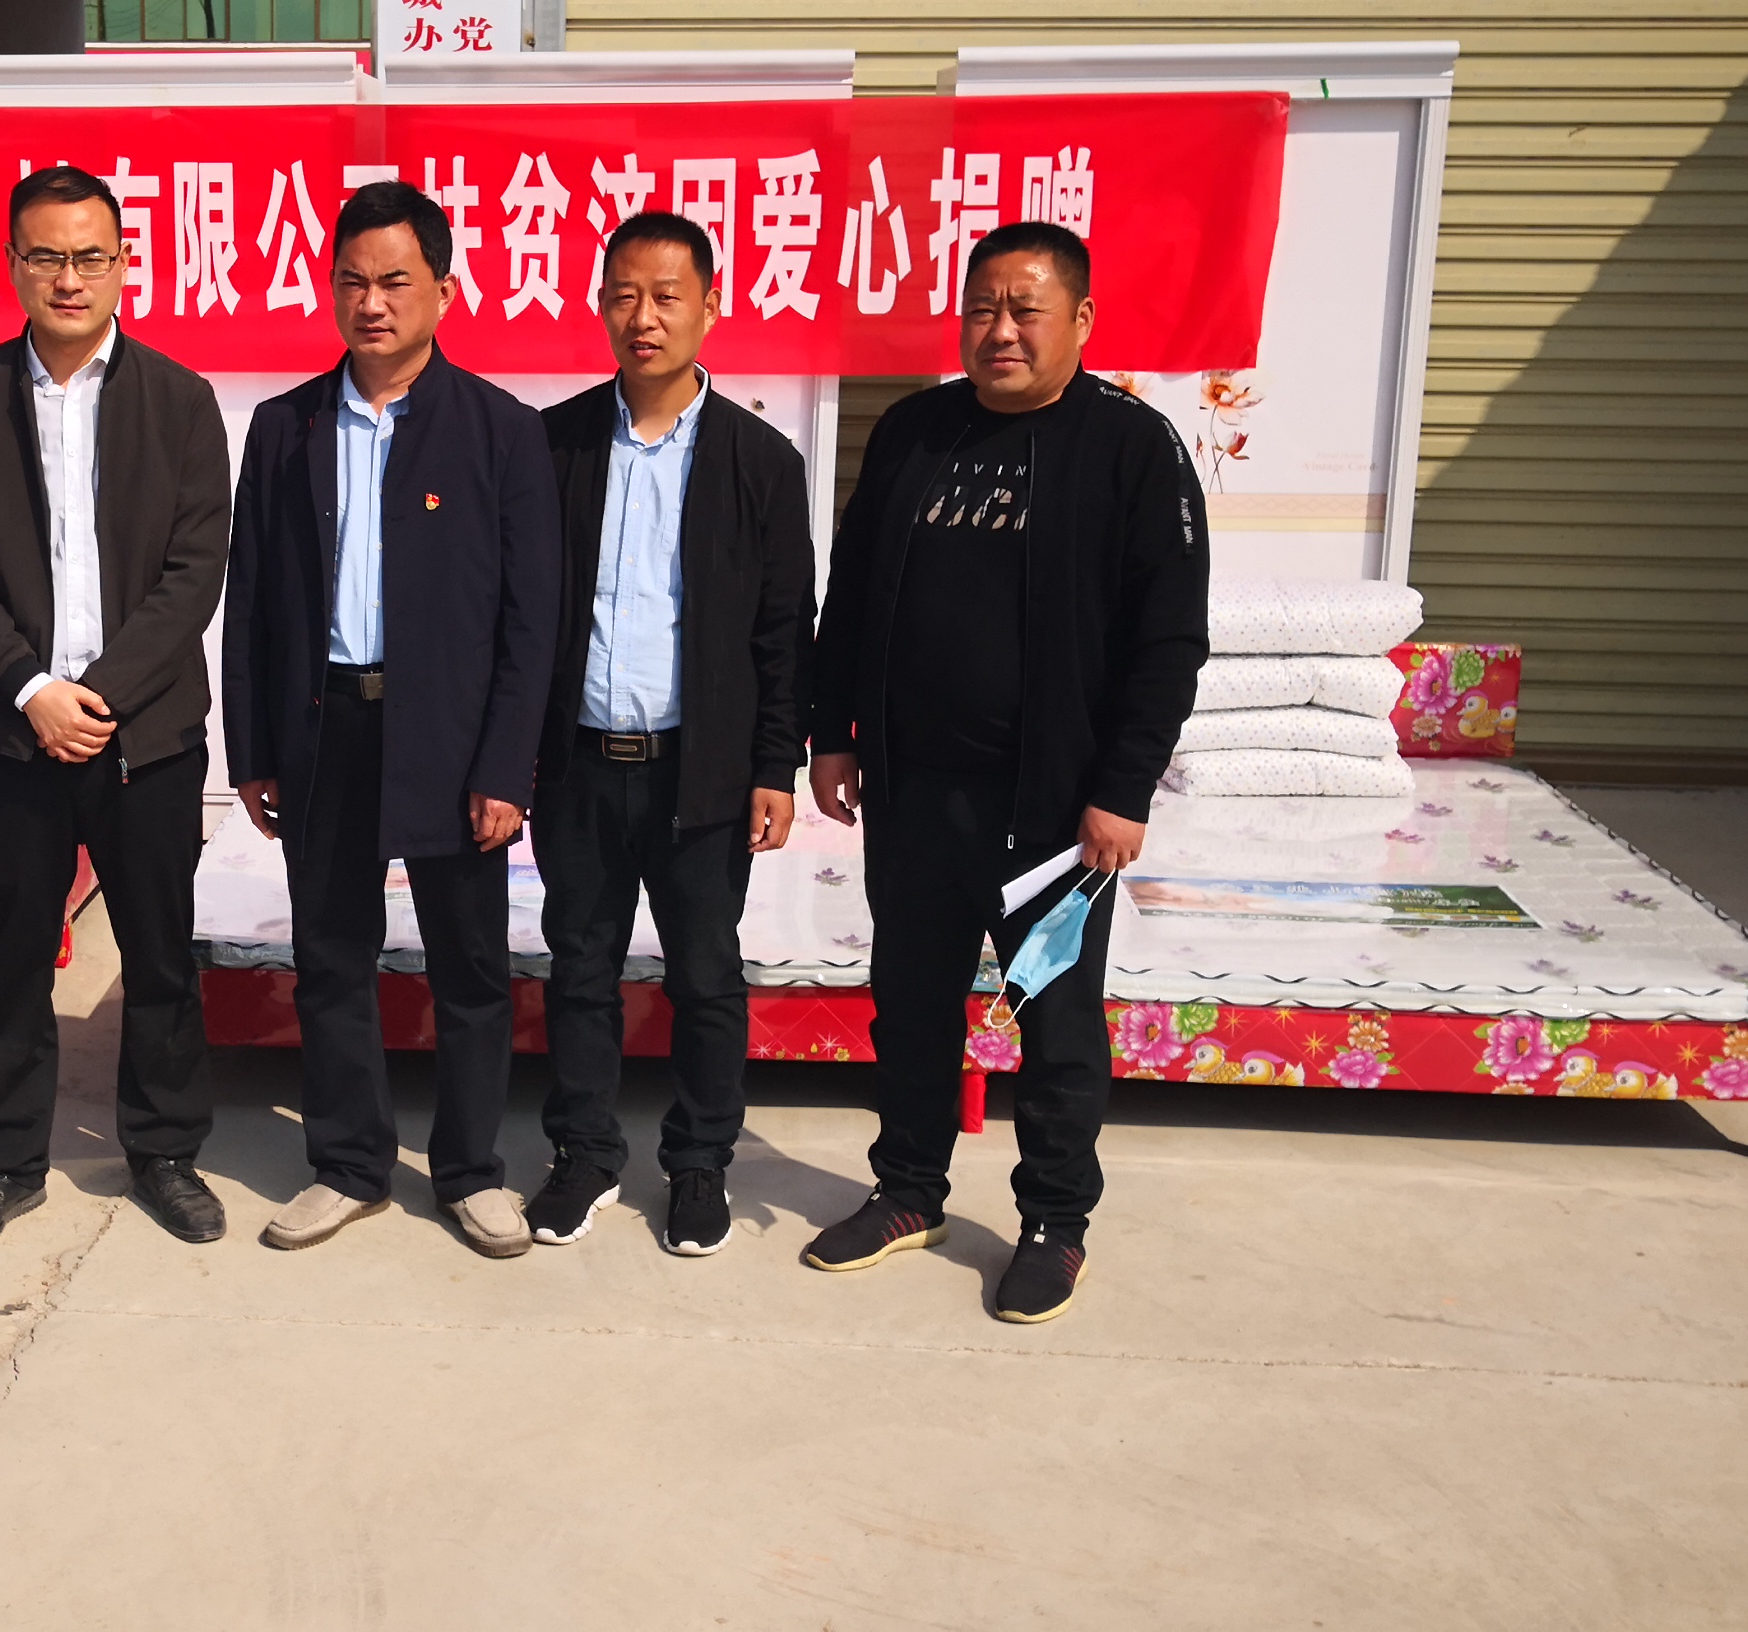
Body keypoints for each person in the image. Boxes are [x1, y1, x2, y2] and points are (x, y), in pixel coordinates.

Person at [802, 221, 1207, 1322]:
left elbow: (1169, 638)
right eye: (983, 308)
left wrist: (1122, 788)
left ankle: (1054, 1223)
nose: (1001, 331)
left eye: (1027, 309)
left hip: (1056, 814)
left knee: (1056, 1021)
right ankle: (908, 1192)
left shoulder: (1131, 447)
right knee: (912, 1005)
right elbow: (852, 595)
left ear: (1081, 319)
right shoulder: (915, 431)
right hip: (916, 794)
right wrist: (832, 732)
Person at [224, 181, 560, 1259]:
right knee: (331, 955)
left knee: (469, 967)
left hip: (453, 742)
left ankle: (470, 1172)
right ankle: (349, 1165)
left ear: (444, 292)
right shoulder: (285, 428)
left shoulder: (501, 432)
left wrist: (507, 764)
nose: (372, 303)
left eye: (396, 281)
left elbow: (531, 620)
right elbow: (253, 597)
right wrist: (254, 748)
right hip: (326, 727)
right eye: (353, 281)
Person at [0, 166, 233, 1252]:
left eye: (90, 256)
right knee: (11, 957)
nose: (69, 277)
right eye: (46, 256)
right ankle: (6, 1163)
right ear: (11, 265)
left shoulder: (179, 399)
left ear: (124, 264)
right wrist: (32, 689)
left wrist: (98, 695)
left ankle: (165, 1153)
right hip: (14, 736)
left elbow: (194, 570)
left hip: (146, 737)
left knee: (159, 954)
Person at [523, 213, 813, 1257]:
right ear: (600, 306)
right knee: (580, 968)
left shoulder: (759, 460)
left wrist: (774, 764)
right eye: (623, 296)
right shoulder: (552, 445)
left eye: (666, 296)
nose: (642, 318)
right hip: (579, 766)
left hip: (702, 774)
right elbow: (521, 617)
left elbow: (784, 629)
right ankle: (585, 1155)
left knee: (705, 974)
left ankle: (699, 1165)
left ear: (710, 306)